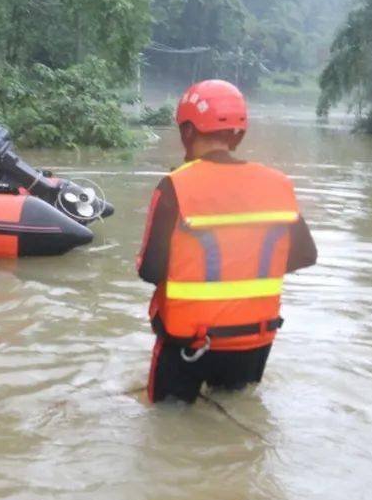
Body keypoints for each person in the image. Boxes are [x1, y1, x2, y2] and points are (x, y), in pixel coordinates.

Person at [136, 79, 317, 403]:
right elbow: (305, 255)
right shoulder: (278, 185)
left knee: (167, 424)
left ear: (187, 132)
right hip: (254, 341)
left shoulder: (175, 187)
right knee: (237, 411)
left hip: (187, 344)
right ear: (239, 134)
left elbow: (150, 270)